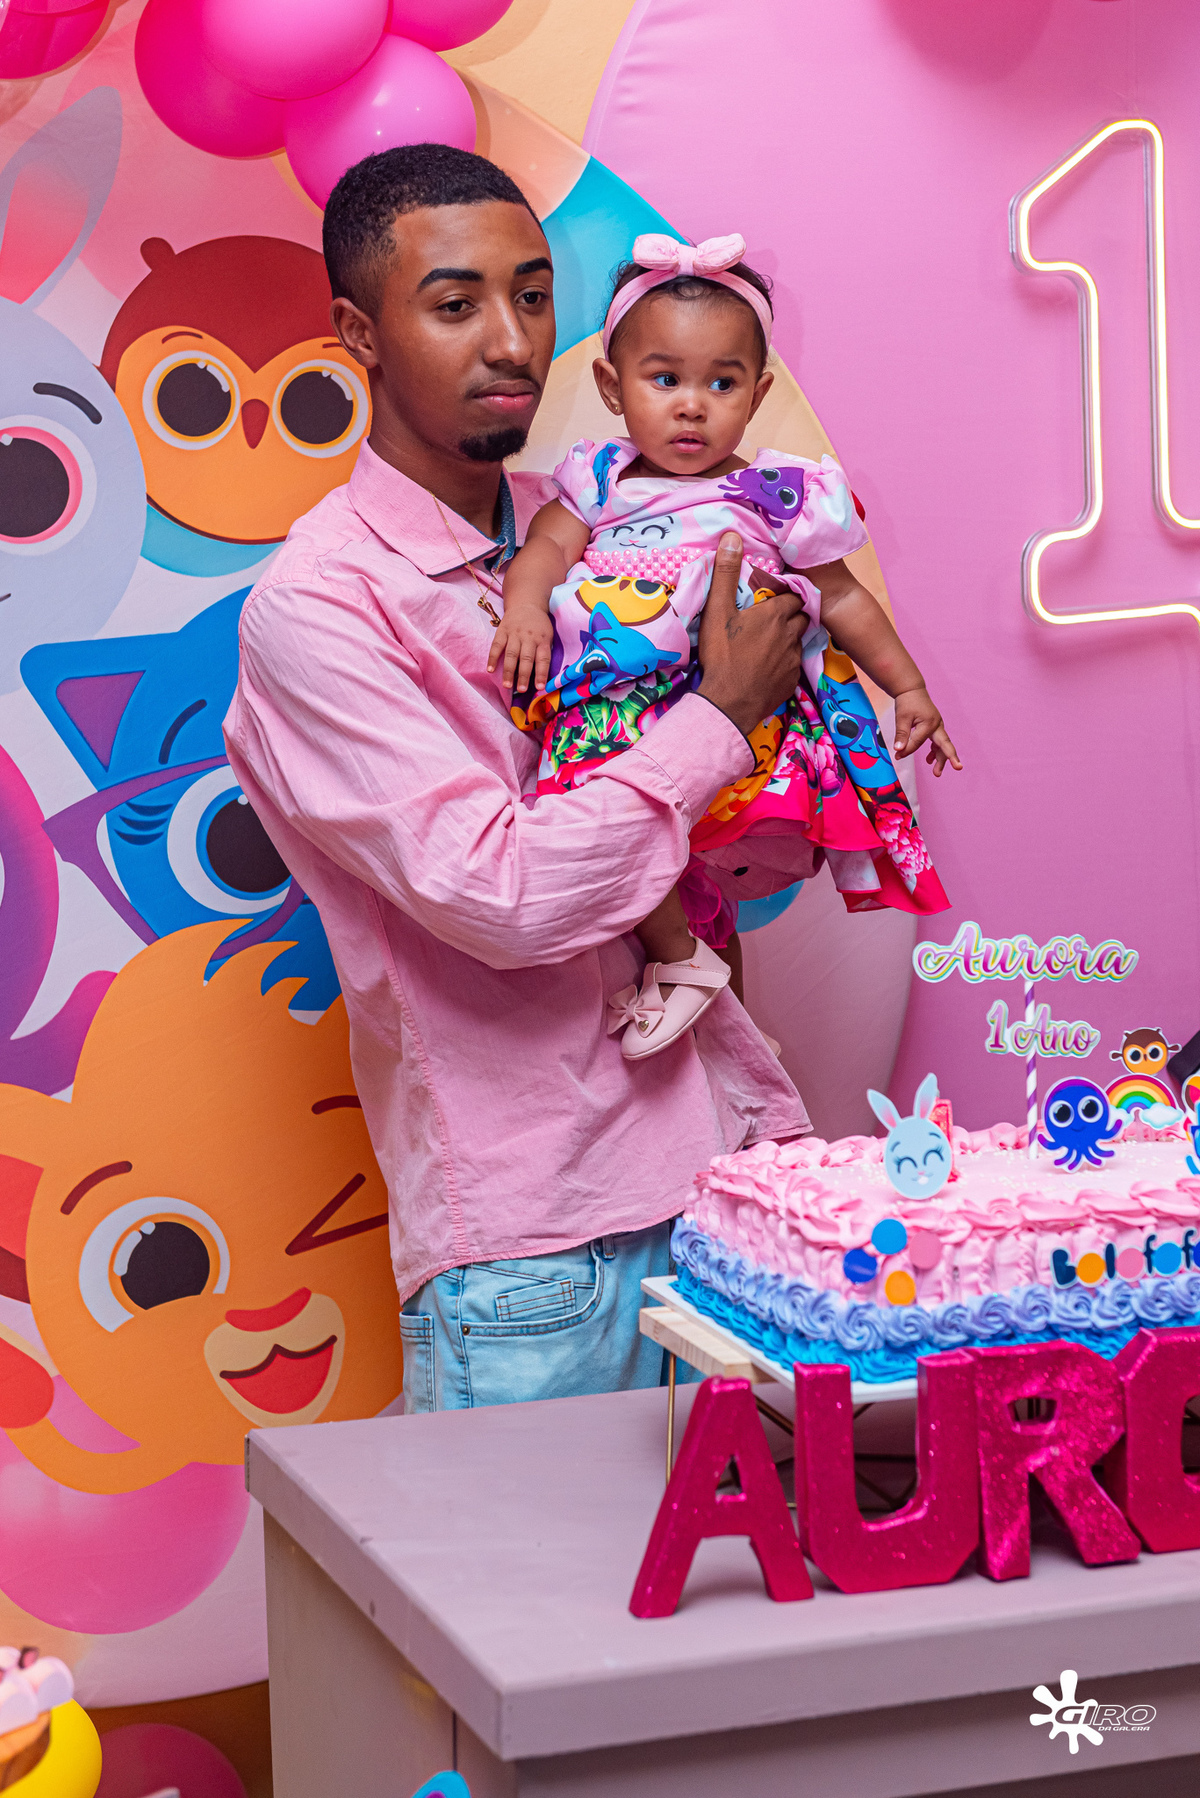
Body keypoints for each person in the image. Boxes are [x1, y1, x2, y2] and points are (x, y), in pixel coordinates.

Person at [223, 144, 811, 1414]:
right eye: (456, 304)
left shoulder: (607, 520)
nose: (511, 341)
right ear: (358, 334)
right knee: (534, 1562)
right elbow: (505, 895)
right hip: (544, 1262)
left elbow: (743, 806)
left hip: (726, 1181)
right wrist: (718, 716)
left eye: (534, 296)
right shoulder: (321, 608)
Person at [493, 233, 960, 1062]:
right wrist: (525, 610)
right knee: (609, 822)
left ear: (758, 392)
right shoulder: (598, 481)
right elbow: (545, 552)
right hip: (618, 700)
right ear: (611, 386)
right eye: (664, 379)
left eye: (721, 382)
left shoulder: (775, 494)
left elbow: (843, 596)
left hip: (739, 719)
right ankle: (683, 965)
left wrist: (909, 687)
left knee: (699, 872)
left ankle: (717, 1014)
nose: (692, 406)